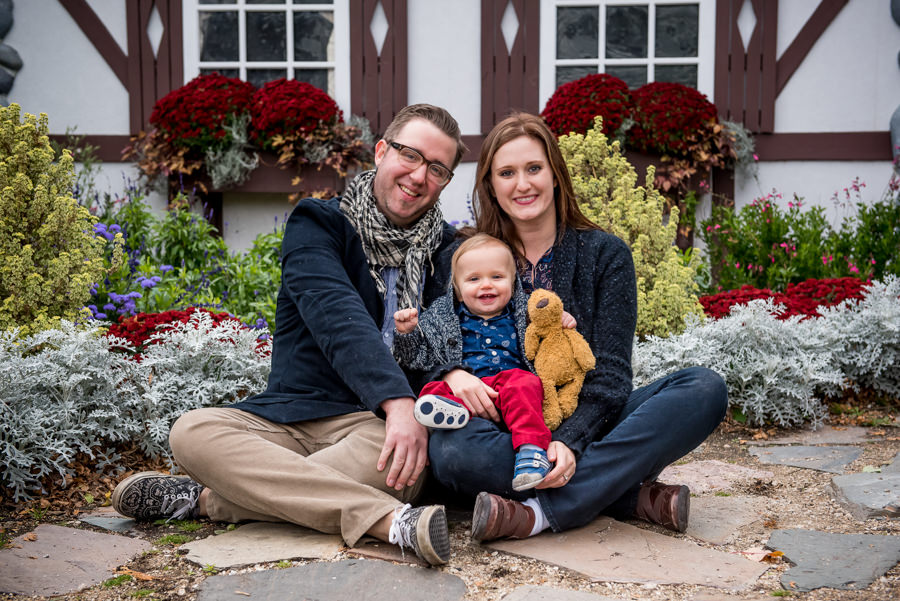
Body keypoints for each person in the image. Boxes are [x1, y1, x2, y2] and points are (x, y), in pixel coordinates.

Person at [110, 104, 469, 566]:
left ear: (445, 181)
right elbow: (335, 313)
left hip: (374, 428)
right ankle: (387, 519)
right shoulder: (318, 222)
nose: (419, 176)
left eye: (437, 168)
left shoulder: (449, 253)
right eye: (410, 155)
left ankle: (208, 501)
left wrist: (403, 410)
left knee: (402, 465)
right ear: (381, 151)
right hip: (292, 416)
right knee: (192, 431)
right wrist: (398, 400)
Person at [426, 113, 728, 542]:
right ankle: (624, 496)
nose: (522, 184)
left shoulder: (605, 255)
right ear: (490, 185)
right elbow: (425, 342)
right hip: (500, 425)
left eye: (534, 168)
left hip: (586, 418)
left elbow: (610, 376)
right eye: (506, 173)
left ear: (555, 174)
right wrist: (451, 373)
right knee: (452, 452)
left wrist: (570, 441)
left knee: (703, 389)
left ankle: (536, 514)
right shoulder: (462, 258)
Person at [393, 233, 562, 492]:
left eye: (497, 277)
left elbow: (549, 326)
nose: (486, 285)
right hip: (465, 392)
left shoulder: (525, 310)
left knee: (526, 383)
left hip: (508, 387)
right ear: (458, 289)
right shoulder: (441, 315)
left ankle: (532, 450)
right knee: (433, 388)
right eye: (474, 279)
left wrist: (561, 320)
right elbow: (418, 358)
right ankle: (447, 414)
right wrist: (407, 334)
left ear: (513, 282)